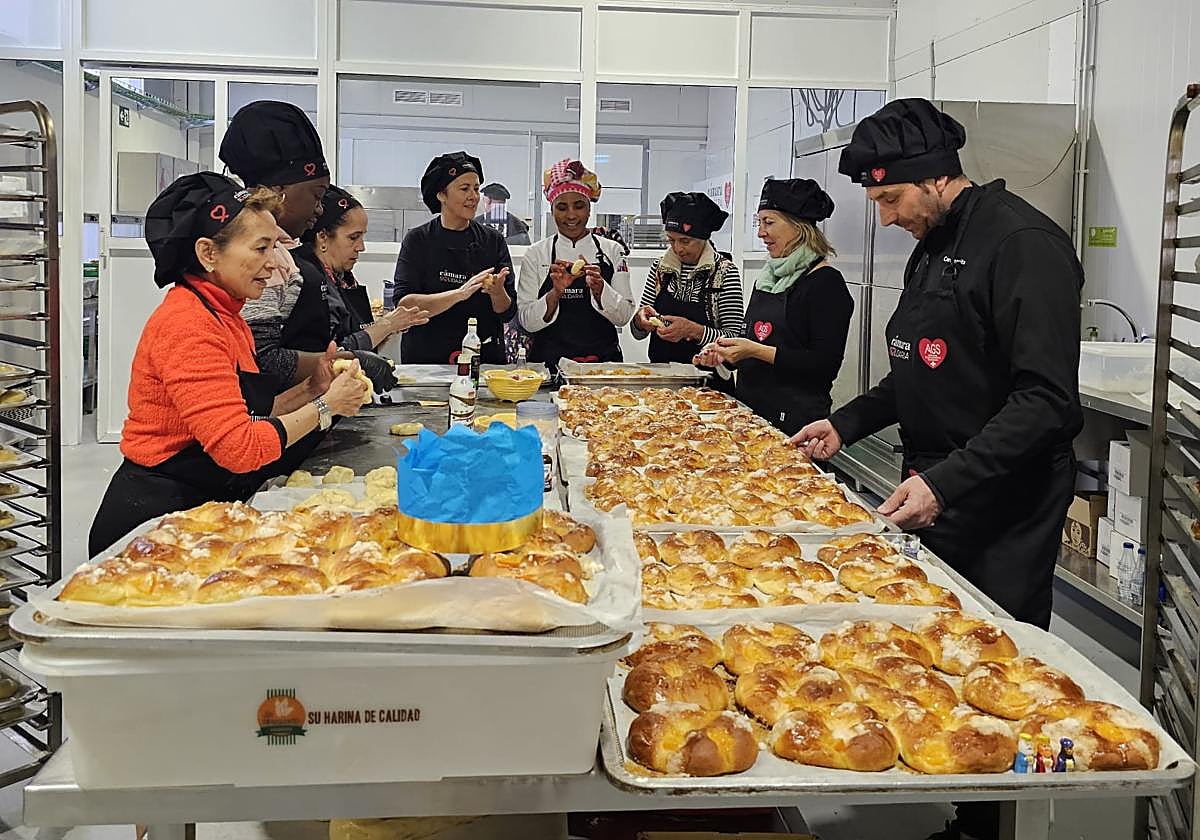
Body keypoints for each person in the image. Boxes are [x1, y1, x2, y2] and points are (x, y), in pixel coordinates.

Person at [793, 98, 1083, 840]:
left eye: (890, 199)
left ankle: (990, 825)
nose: (886, 218)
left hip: (1003, 501)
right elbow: (917, 368)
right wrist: (846, 423)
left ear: (934, 179)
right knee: (933, 654)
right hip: (938, 485)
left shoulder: (1022, 244)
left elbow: (1045, 402)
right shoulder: (935, 240)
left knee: (994, 666)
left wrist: (947, 482)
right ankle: (958, 800)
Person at [88, 173, 368, 557]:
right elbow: (238, 447)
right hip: (152, 520)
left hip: (197, 504)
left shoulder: (226, 314)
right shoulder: (189, 325)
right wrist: (326, 407)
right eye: (260, 248)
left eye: (275, 248)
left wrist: (312, 389)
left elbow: (251, 413)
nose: (275, 265)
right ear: (208, 253)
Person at [694, 179, 852, 435]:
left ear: (798, 226)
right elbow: (751, 343)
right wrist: (725, 356)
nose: (760, 233)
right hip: (749, 416)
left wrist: (755, 350)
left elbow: (823, 365)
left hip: (796, 425)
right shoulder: (768, 278)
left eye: (769, 222)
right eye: (759, 223)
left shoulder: (825, 284)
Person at [218, 100, 341, 389]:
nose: (321, 209)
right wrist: (341, 362)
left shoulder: (285, 249)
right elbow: (261, 358)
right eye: (317, 194)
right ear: (278, 192)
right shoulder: (257, 259)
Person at [392, 152, 515, 364]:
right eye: (464, 189)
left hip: (483, 358)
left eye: (476, 189)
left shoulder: (492, 241)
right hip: (427, 359)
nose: (473, 196)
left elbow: (507, 312)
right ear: (441, 195)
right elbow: (404, 305)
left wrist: (497, 292)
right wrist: (459, 293)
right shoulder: (418, 240)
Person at [517, 159, 635, 369]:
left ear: (589, 209)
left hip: (603, 366)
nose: (571, 215)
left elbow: (624, 316)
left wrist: (600, 290)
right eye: (562, 207)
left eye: (579, 206)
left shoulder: (612, 251)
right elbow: (526, 321)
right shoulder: (536, 254)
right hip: (549, 366)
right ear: (552, 212)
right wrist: (555, 293)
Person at [293, 185, 429, 360]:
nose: (361, 247)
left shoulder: (344, 279)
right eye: (353, 237)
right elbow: (330, 354)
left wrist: (387, 330)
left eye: (362, 237)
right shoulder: (303, 279)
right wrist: (385, 325)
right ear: (323, 237)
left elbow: (358, 343)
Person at [630, 192, 743, 366]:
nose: (677, 249)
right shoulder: (660, 269)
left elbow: (735, 339)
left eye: (685, 241)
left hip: (707, 381)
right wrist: (640, 321)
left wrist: (694, 331)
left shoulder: (724, 272)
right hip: (663, 379)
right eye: (671, 240)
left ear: (703, 238)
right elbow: (638, 332)